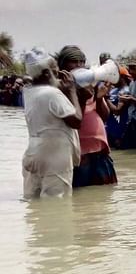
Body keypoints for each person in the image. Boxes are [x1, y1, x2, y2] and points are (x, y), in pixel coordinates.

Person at [21, 49, 82, 198]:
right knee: (57, 204)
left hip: (34, 152)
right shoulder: (52, 94)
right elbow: (76, 121)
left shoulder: (28, 91)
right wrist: (72, 91)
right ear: (47, 74)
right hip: (54, 156)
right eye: (55, 71)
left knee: (33, 200)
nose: (59, 74)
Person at [57, 46, 117, 187]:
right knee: (81, 200)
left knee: (105, 197)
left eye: (81, 61)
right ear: (63, 65)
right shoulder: (62, 88)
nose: (79, 65)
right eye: (74, 62)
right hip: (80, 154)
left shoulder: (91, 83)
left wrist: (100, 98)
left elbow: (104, 115)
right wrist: (82, 98)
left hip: (100, 151)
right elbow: (75, 121)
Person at [106, 66, 131, 149]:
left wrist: (105, 99)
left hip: (120, 127)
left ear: (122, 77)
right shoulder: (113, 90)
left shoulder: (126, 91)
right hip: (110, 126)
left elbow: (117, 111)